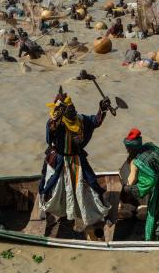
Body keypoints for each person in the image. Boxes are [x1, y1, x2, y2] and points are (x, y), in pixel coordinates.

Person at [39, 90, 111, 231]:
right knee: (49, 184)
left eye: (73, 109)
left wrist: (102, 109)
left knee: (92, 182)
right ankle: (45, 208)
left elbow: (96, 121)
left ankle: (103, 212)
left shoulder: (81, 120)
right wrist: (54, 120)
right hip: (60, 158)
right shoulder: (56, 124)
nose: (72, 112)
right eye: (69, 110)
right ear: (62, 112)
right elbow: (49, 138)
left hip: (78, 158)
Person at [122, 128, 159, 240]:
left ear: (131, 148)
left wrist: (129, 189)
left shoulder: (139, 161)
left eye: (127, 148)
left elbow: (149, 182)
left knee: (156, 212)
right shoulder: (151, 147)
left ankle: (156, 236)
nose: (127, 150)